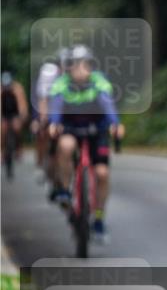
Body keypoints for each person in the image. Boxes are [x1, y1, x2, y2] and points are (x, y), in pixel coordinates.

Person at [47, 45, 124, 243]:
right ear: (69, 67)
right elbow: (55, 107)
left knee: (102, 174)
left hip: (96, 130)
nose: (80, 69)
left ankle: (99, 218)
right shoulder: (61, 83)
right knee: (65, 146)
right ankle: (64, 189)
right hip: (71, 128)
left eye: (85, 65)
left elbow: (108, 104)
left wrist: (116, 124)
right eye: (75, 65)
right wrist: (54, 123)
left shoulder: (99, 81)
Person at [32, 61, 61, 183]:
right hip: (46, 103)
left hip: (64, 107)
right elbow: (43, 98)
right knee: (41, 130)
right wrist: (41, 119)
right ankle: (39, 164)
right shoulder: (49, 71)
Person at [1, 71, 30, 174]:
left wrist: (22, 116)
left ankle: (19, 147)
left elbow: (22, 105)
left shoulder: (17, 89)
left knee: (17, 127)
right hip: (4, 114)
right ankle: (3, 151)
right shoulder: (1, 90)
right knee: (2, 129)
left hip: (15, 114)